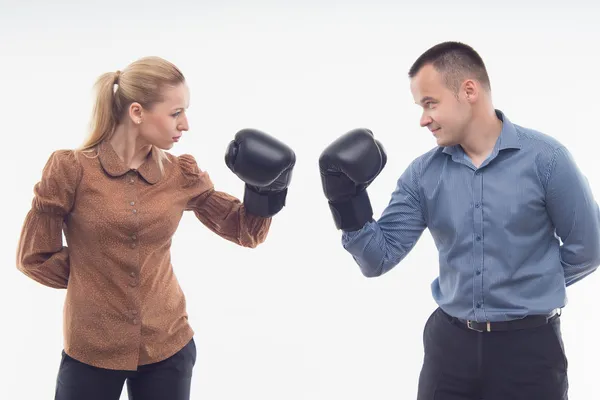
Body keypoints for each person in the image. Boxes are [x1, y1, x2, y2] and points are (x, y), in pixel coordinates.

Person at [318, 41, 600, 399]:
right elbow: (378, 258)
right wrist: (346, 200)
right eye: (421, 107)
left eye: (430, 103)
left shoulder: (548, 160)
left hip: (529, 351)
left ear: (468, 90)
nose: (423, 119)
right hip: (450, 348)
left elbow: (588, 249)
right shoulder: (422, 174)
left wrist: (529, 288)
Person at [16, 56, 296, 400]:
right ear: (137, 112)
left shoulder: (181, 174)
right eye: (175, 113)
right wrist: (93, 278)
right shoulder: (71, 170)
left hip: (168, 344)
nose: (186, 124)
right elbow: (34, 256)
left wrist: (268, 189)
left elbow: (245, 231)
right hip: (92, 348)